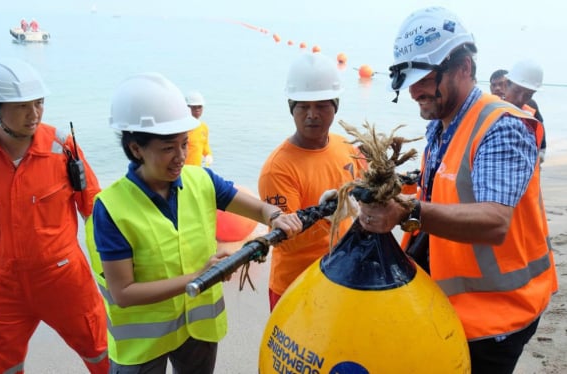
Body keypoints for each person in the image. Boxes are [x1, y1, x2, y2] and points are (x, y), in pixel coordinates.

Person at [364, 7, 557, 373]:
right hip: (456, 305)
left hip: (498, 314)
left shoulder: (501, 127)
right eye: (410, 80)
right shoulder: (443, 122)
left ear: (464, 68)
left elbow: (494, 221)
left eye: (425, 78)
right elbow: (442, 189)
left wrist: (406, 212)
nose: (415, 91)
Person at [87, 72, 302, 372]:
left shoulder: (200, 179)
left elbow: (252, 206)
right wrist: (198, 278)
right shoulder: (111, 208)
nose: (180, 157)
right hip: (142, 345)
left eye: (184, 144)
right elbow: (123, 293)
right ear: (136, 149)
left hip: (198, 332)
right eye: (167, 148)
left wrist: (275, 215)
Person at [0, 58, 108, 372]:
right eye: (22, 106)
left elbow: (97, 211)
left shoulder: (63, 147)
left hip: (62, 277)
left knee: (102, 353)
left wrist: (116, 268)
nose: (34, 114)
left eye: (39, 103)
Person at [258, 52, 365, 311]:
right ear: (291, 108)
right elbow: (286, 240)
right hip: (295, 286)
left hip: (341, 277)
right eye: (303, 106)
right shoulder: (278, 168)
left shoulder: (347, 147)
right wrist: (329, 217)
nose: (312, 115)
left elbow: (371, 186)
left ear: (335, 106)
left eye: (321, 105)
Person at [490, 66, 547, 162]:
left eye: (528, 95)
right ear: (507, 84)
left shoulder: (531, 108)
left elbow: (541, 141)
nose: (521, 98)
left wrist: (540, 156)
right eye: (517, 91)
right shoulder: (489, 109)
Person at [184, 90, 213, 167]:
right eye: (193, 107)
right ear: (187, 108)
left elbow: (204, 144)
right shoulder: (182, 129)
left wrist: (208, 154)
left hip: (197, 169)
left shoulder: (203, 127)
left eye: (199, 107)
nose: (197, 110)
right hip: (183, 169)